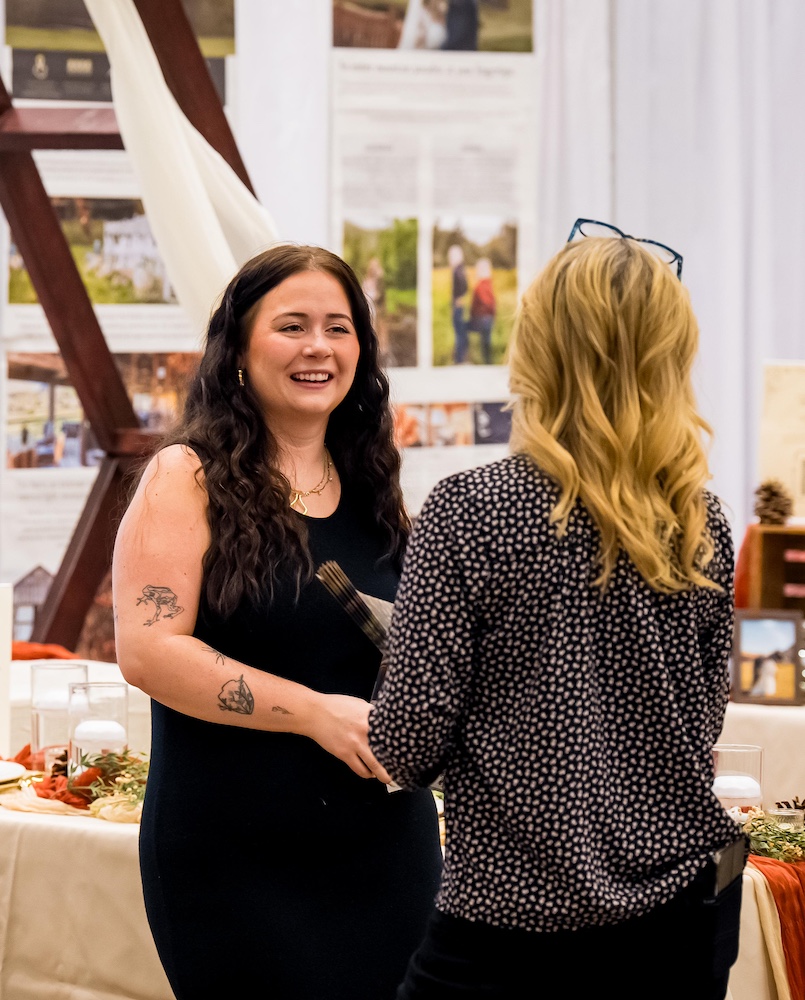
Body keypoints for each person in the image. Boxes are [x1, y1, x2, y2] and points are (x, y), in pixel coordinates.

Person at [369, 224, 748, 999]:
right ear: (669, 357)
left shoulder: (471, 512)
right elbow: (698, 725)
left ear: (536, 348)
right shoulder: (699, 519)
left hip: (510, 929)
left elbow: (405, 744)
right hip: (676, 920)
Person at [112, 244, 442, 1000]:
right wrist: (313, 714)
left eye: (338, 327)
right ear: (237, 351)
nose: (318, 347)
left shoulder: (372, 485)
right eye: (291, 326)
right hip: (234, 857)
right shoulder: (183, 478)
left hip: (387, 850)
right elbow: (149, 651)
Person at [467, 256, 496, 364]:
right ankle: (487, 362)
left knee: (485, 343)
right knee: (486, 342)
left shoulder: (480, 286)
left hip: (482, 317)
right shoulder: (489, 283)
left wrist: (473, 315)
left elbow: (486, 302)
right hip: (488, 317)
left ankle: (485, 362)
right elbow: (493, 303)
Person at [447, 243, 469, 364]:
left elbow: (462, 286)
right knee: (460, 332)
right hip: (459, 305)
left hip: (457, 305)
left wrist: (458, 299)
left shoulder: (457, 270)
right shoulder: (461, 269)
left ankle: (459, 359)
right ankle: (460, 358)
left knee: (459, 333)